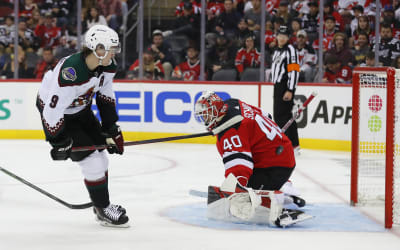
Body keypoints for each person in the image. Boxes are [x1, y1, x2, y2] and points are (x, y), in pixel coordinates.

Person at [35, 25, 129, 228]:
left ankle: (100, 206)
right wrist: (58, 140)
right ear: (98, 49)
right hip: (60, 114)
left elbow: (105, 96)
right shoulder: (71, 72)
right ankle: (104, 209)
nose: (114, 53)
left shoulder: (107, 66)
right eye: (111, 48)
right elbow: (51, 111)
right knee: (92, 162)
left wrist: (112, 129)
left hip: (80, 110)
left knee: (102, 156)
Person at [194, 91, 311, 227]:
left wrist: (237, 192)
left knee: (247, 194)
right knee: (250, 186)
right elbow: (266, 116)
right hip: (280, 152)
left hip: (275, 165)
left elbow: (240, 167)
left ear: (216, 111)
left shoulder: (231, 131)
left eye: (207, 115)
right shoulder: (232, 104)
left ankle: (277, 197)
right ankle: (284, 190)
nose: (206, 120)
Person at [270, 25, 300, 153]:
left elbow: (294, 71)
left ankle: (288, 145)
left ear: (288, 38)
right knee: (284, 116)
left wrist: (290, 89)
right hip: (277, 86)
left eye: (284, 36)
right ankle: (294, 145)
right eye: (280, 36)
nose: (281, 38)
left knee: (282, 116)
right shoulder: (277, 50)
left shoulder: (291, 50)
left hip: (285, 86)